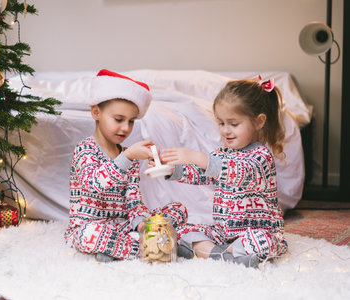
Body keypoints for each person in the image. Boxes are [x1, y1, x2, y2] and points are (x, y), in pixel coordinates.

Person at [159, 77, 288, 268]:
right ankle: (223, 254)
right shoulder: (223, 153)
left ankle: (214, 252)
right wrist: (172, 169)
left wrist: (195, 156)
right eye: (221, 123)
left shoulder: (260, 157)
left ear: (259, 122)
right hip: (225, 232)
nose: (225, 131)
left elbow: (235, 172)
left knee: (262, 242)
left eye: (233, 124)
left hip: (258, 230)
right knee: (183, 230)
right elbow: (204, 173)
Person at [64, 69, 187, 262]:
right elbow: (94, 184)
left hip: (123, 225)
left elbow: (133, 201)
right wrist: (127, 157)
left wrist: (141, 223)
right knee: (89, 235)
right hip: (89, 226)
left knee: (179, 209)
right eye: (119, 120)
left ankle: (124, 245)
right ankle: (159, 247)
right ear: (96, 112)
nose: (126, 128)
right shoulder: (85, 149)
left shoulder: (128, 156)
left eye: (131, 122)